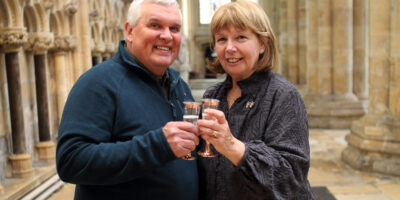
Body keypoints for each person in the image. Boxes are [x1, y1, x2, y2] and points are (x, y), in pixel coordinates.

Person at [56, 0, 199, 199]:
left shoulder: (178, 84)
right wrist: (158, 145)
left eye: (174, 28)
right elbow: (71, 161)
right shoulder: (98, 83)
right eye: (155, 25)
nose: (167, 36)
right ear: (129, 31)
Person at [196, 1, 315, 199]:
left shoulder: (283, 95)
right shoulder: (213, 95)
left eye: (241, 37)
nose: (229, 48)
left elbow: (290, 178)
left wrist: (232, 146)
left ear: (262, 44)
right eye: (222, 39)